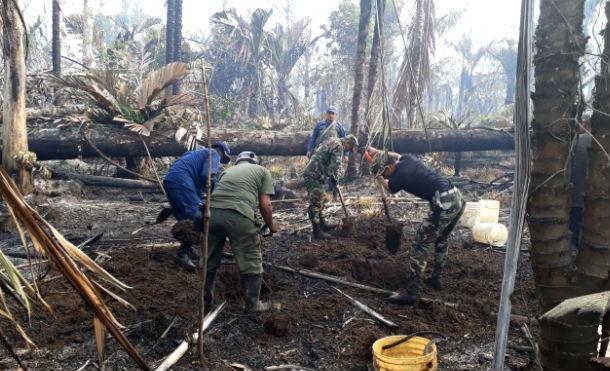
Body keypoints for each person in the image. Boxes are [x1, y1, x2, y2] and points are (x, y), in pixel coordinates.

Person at [372, 148, 465, 305]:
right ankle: (435, 278)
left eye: (385, 173)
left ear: (387, 168)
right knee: (441, 239)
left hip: (444, 203)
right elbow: (396, 155)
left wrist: (379, 178)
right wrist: (378, 151)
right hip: (457, 197)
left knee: (420, 244)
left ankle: (411, 292)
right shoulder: (407, 159)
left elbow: (390, 189)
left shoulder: (398, 177)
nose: (387, 176)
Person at [205, 151, 279, 313]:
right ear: (255, 161)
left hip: (211, 215)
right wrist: (272, 226)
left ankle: (205, 300)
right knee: (251, 260)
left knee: (208, 260)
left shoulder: (226, 171)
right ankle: (253, 304)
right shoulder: (262, 171)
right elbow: (265, 206)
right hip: (239, 215)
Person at [163, 141, 231, 272]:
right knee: (198, 217)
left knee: (185, 219)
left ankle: (188, 247)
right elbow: (207, 176)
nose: (221, 160)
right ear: (220, 150)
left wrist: (201, 195)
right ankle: (182, 253)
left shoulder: (196, 153)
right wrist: (217, 193)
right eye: (223, 158)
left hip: (170, 180)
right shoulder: (214, 154)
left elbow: (197, 177)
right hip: (182, 181)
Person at [303, 135, 358, 240]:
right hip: (314, 174)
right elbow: (335, 166)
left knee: (321, 199)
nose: (348, 151)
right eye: (349, 148)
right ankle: (317, 231)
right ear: (347, 143)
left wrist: (333, 179)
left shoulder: (332, 140)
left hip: (317, 174)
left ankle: (322, 224)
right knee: (315, 203)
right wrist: (336, 180)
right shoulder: (338, 146)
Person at [570, 115, 592, 252]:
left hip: (574, 197)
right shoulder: (593, 142)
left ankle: (574, 249)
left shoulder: (576, 142)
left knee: (574, 227)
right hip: (591, 198)